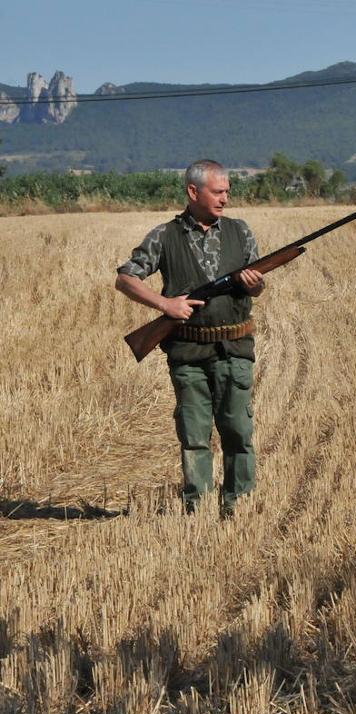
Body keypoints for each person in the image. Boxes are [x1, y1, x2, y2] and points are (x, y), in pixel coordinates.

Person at [115, 159, 265, 515]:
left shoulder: (240, 231)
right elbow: (126, 278)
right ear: (193, 192)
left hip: (234, 348)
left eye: (228, 191)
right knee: (194, 435)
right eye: (218, 191)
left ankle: (238, 506)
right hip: (188, 352)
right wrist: (165, 304)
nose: (226, 198)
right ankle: (196, 508)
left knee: (238, 432)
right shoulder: (165, 236)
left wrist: (255, 285)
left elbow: (257, 288)